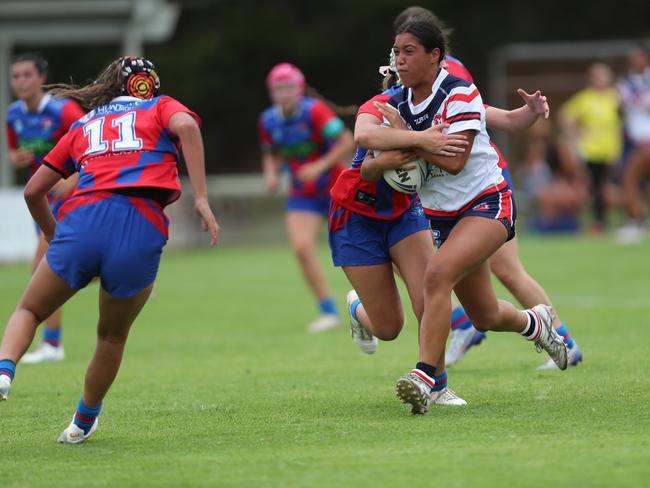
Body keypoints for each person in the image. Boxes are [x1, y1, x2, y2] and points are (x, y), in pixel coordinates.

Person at [0, 56, 220, 444]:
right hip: (142, 223)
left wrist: (55, 237)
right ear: (148, 84)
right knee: (111, 337)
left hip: (83, 220)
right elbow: (186, 125)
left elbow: (34, 191)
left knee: (30, 309)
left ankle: (4, 370)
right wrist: (201, 197)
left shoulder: (85, 122)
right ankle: (82, 423)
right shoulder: (161, 105)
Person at [365, 20, 568, 414]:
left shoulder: (458, 93)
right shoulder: (398, 104)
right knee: (485, 315)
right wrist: (413, 143)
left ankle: (425, 377)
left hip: (488, 204)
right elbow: (373, 148)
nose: (400, 60)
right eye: (397, 52)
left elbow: (456, 161)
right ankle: (535, 324)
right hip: (443, 218)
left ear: (434, 55)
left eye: (409, 51)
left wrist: (409, 143)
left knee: (435, 277)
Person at [259, 63, 355, 333]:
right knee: (301, 247)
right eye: (278, 89)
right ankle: (328, 311)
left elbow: (347, 141)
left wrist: (319, 167)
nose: (283, 93)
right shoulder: (268, 120)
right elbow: (271, 151)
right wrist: (270, 173)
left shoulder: (314, 111)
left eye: (288, 87)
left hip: (337, 189)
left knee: (360, 248)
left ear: (299, 88)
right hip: (303, 193)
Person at [6, 53, 85, 363]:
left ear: (41, 78)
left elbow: (91, 143)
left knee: (43, 263)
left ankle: (52, 345)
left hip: (69, 197)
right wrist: (15, 158)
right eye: (16, 76)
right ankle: (116, 271)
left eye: (27, 75)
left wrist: (73, 179)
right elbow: (13, 150)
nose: (21, 81)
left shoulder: (64, 111)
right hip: (40, 199)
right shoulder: (13, 114)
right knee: (62, 264)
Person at [559, 63, 622, 233]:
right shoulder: (586, 98)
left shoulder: (615, 97)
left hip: (611, 150)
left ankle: (618, 220)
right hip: (591, 150)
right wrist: (576, 132)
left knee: (610, 188)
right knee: (594, 188)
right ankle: (597, 222)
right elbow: (564, 115)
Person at [616, 46, 650, 245]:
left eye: (639, 57)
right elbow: (621, 110)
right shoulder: (625, 83)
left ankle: (636, 221)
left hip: (647, 139)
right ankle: (636, 219)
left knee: (630, 177)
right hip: (633, 141)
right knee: (630, 179)